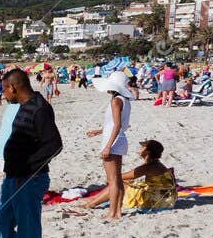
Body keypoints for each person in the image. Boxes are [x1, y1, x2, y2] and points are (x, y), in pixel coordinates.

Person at [0, 68, 62, 238]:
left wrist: (28, 168)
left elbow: (54, 145)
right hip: (13, 178)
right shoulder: (22, 106)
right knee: (2, 225)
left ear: (13, 87)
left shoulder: (40, 108)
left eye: (4, 89)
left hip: (29, 180)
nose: (3, 93)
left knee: (28, 234)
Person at [74, 140, 177, 213]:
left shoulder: (149, 166)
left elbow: (126, 176)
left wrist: (111, 178)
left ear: (147, 151)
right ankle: (93, 199)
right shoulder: (154, 163)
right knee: (119, 182)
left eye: (142, 147)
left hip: (159, 199)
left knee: (118, 183)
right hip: (165, 195)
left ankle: (91, 204)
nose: (140, 148)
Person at [86, 71, 132, 220]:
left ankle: (112, 212)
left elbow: (117, 125)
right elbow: (120, 125)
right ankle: (117, 211)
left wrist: (107, 146)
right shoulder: (125, 100)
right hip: (120, 139)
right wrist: (99, 131)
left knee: (112, 180)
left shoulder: (116, 101)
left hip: (113, 141)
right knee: (117, 179)